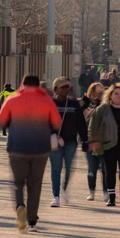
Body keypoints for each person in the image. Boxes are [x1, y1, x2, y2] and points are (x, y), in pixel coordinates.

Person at [0, 74, 62, 233]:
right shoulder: (46, 100)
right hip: (40, 149)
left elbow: (0, 121)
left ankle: (20, 206)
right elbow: (57, 122)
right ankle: (32, 220)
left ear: (22, 84)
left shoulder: (12, 99)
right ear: (38, 85)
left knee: (18, 182)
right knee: (35, 183)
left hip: (17, 148)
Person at [49, 77, 88, 208]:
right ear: (56, 89)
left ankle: (64, 187)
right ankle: (56, 196)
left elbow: (81, 124)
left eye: (67, 87)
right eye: (62, 87)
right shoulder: (50, 104)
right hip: (54, 141)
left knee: (69, 167)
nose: (66, 90)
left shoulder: (74, 104)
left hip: (71, 140)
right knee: (56, 168)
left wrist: (85, 140)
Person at [80, 83, 108, 202]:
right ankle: (91, 191)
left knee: (104, 169)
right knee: (92, 168)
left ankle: (106, 192)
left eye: (101, 93)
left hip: (103, 140)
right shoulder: (83, 104)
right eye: (97, 93)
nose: (99, 95)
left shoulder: (105, 105)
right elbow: (81, 120)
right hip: (89, 140)